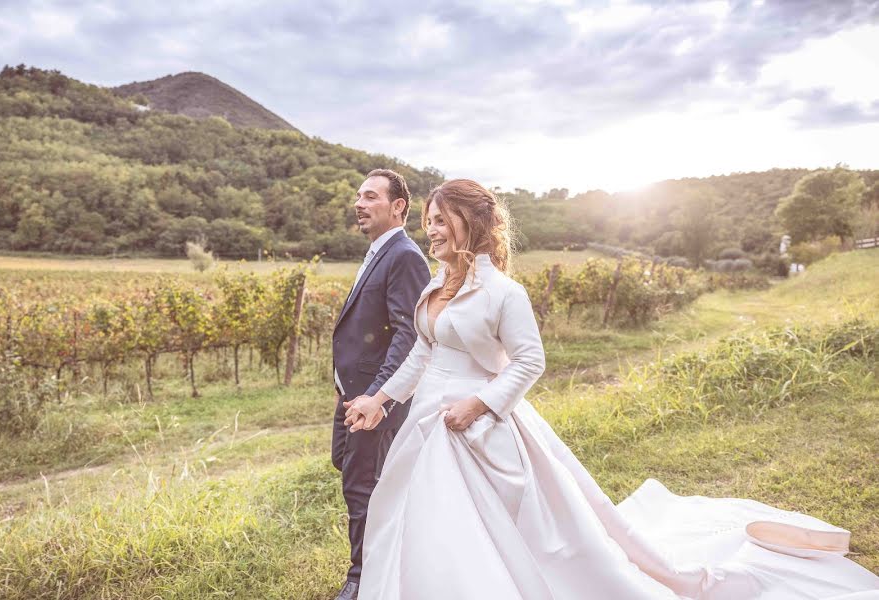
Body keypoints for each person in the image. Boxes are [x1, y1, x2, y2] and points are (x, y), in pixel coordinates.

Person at [343, 179, 879, 599]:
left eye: (440, 221)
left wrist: (480, 403)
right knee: (416, 523)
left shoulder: (505, 293)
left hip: (478, 428)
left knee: (519, 538)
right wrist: (380, 399)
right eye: (428, 221)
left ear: (469, 223)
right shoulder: (436, 285)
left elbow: (530, 360)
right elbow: (422, 352)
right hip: (426, 425)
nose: (430, 230)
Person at [330, 169, 431, 600]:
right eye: (358, 195)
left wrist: (378, 397)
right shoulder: (378, 252)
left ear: (398, 207)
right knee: (348, 467)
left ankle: (363, 577)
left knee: (362, 484)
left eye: (370, 196)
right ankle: (389, 552)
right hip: (353, 392)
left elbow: (410, 334)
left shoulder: (405, 256)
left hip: (375, 397)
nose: (359, 202)